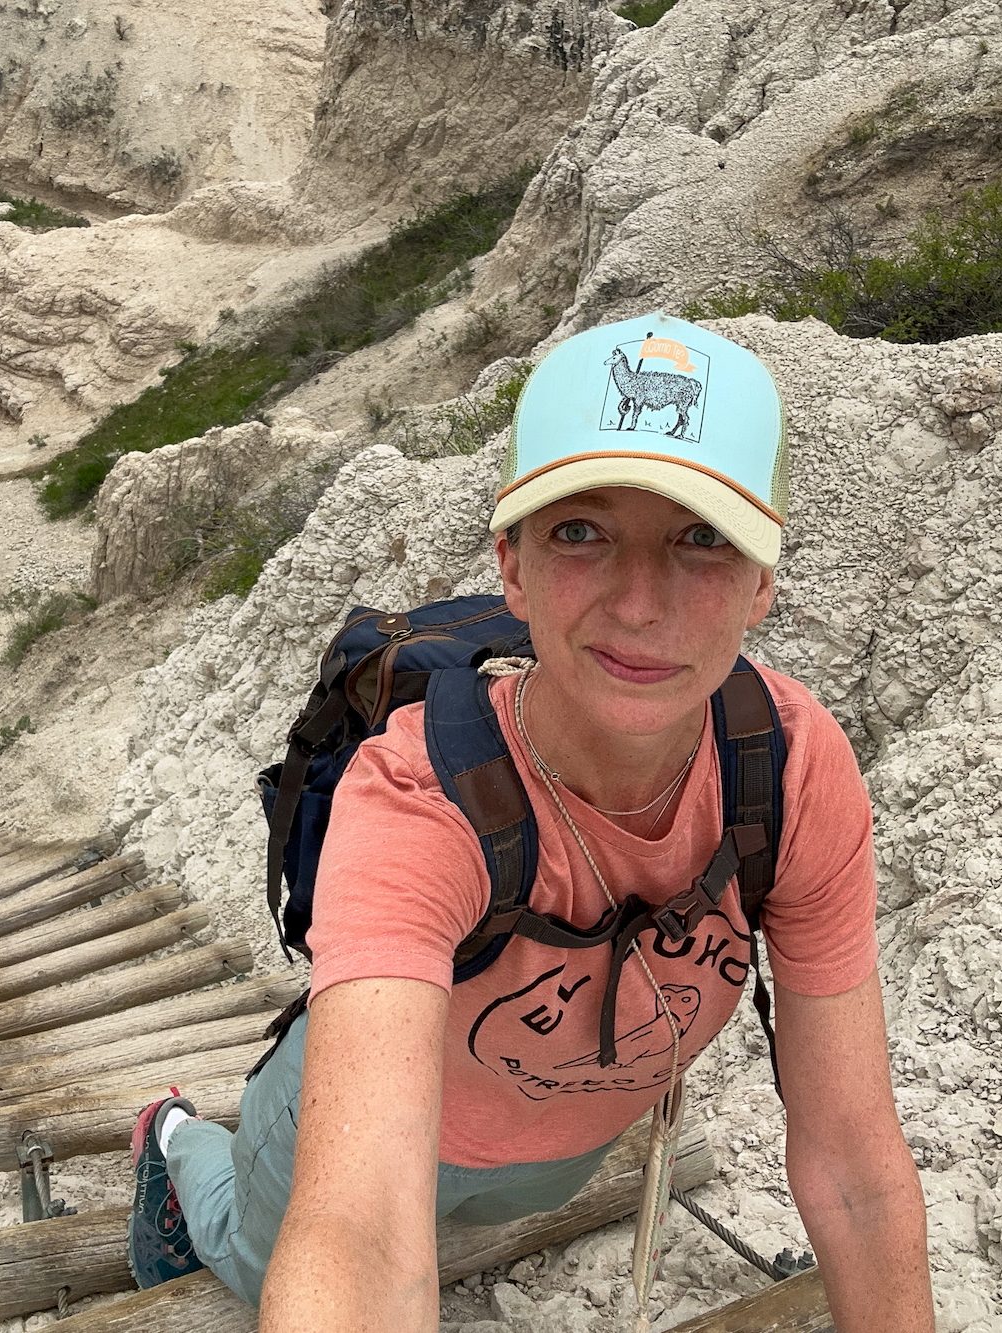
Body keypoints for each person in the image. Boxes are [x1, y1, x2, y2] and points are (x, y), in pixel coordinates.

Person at [127, 314, 934, 1333]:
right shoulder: (419, 796)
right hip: (356, 1136)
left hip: (554, 1153)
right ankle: (170, 1143)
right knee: (253, 1252)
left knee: (467, 1215)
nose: (639, 603)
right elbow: (363, 1232)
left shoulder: (788, 765)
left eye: (700, 540)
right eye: (580, 533)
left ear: (761, 584)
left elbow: (854, 1161)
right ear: (510, 566)